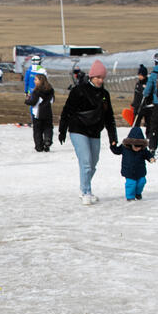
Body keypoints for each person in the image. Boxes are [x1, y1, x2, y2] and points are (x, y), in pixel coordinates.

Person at [58, 59, 118, 205]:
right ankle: (86, 192)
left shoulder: (104, 94)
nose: (100, 80)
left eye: (102, 78)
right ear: (91, 77)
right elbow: (67, 110)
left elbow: (109, 117)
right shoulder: (79, 91)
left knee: (93, 163)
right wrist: (62, 130)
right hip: (78, 129)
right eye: (97, 77)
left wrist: (113, 138)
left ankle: (83, 187)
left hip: (94, 131)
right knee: (85, 162)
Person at [110, 126, 156, 201]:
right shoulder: (124, 147)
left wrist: (151, 158)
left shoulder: (143, 150)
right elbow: (116, 151)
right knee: (131, 184)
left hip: (140, 170)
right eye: (136, 146)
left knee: (142, 182)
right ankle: (130, 196)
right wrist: (113, 146)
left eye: (140, 146)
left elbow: (147, 154)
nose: (137, 148)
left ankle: (138, 193)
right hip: (128, 170)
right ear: (131, 143)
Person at [25, 69, 54, 152]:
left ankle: (39, 146)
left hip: (38, 113)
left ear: (40, 81)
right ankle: (48, 140)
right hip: (48, 112)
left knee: (37, 130)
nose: (34, 81)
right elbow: (52, 100)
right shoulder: (50, 90)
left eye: (35, 79)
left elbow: (33, 102)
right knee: (48, 128)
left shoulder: (36, 91)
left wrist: (27, 100)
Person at [131, 64, 150, 131]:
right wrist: (134, 104)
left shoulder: (148, 83)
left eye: (141, 75)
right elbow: (136, 95)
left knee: (148, 122)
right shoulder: (138, 84)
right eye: (139, 75)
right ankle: (135, 133)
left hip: (146, 106)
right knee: (136, 122)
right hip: (138, 106)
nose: (140, 77)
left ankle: (149, 135)